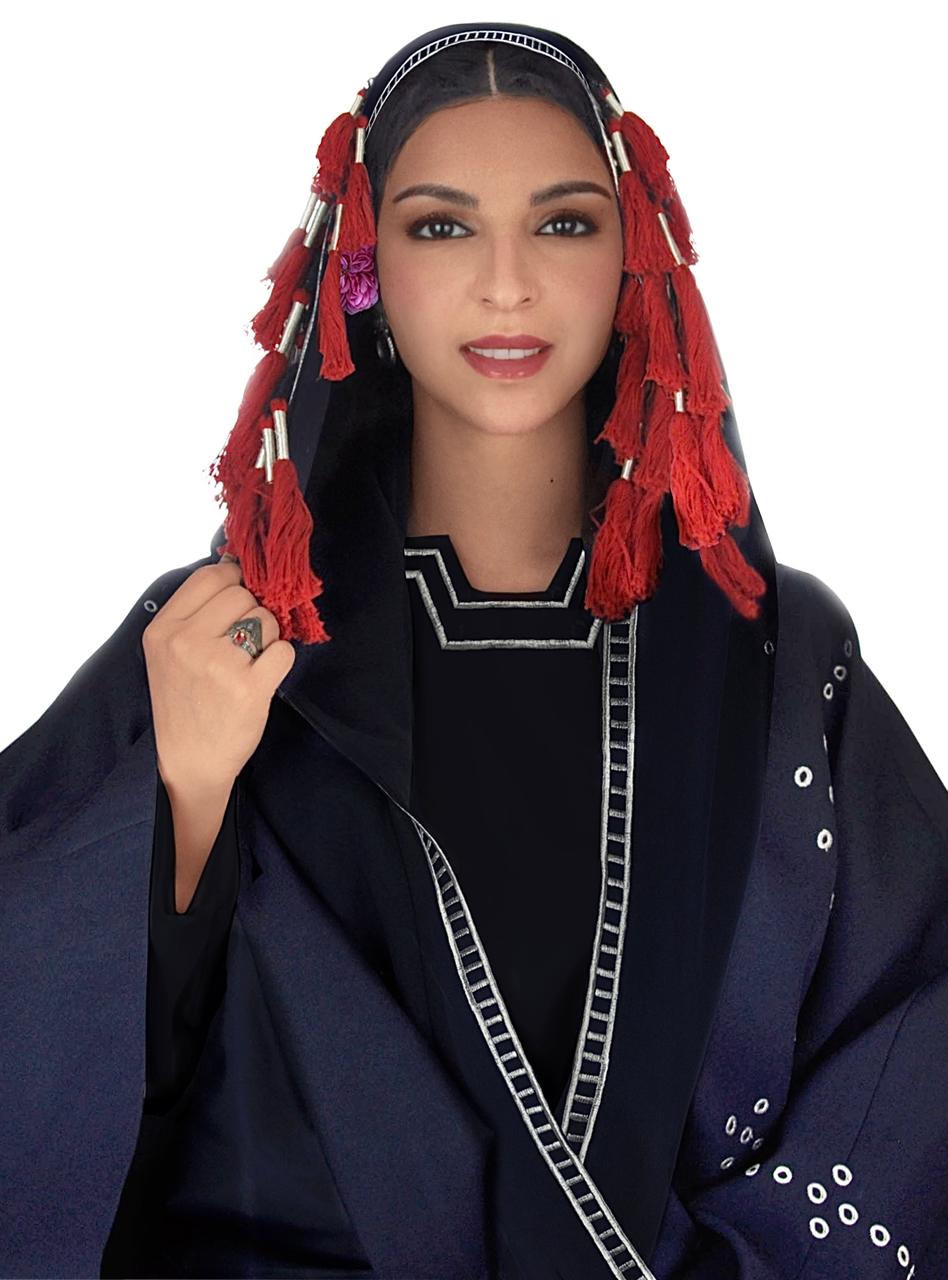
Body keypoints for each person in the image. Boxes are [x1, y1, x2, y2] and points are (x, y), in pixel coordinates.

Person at [1, 20, 945, 1280]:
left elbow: (909, 1050)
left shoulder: (776, 662)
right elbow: (64, 1080)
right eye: (442, 226)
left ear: (637, 259)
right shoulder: (216, 643)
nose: (508, 282)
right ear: (363, 270)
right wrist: (181, 799)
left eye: (565, 223)